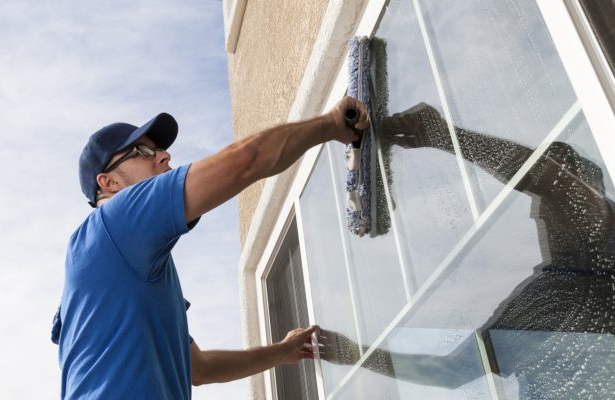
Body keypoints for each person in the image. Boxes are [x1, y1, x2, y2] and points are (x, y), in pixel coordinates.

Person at [53, 96, 369, 399]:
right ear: (108, 183)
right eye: (143, 151)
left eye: (160, 150)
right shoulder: (115, 220)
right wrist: (332, 124)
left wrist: (281, 352)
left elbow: (199, 368)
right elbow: (248, 160)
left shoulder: (126, 269)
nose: (163, 156)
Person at [316, 103, 615, 398]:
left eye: (545, 207)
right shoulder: (551, 297)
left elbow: (552, 180)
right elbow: (452, 371)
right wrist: (355, 355)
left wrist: (444, 136)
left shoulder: (571, 284)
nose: (535, 216)